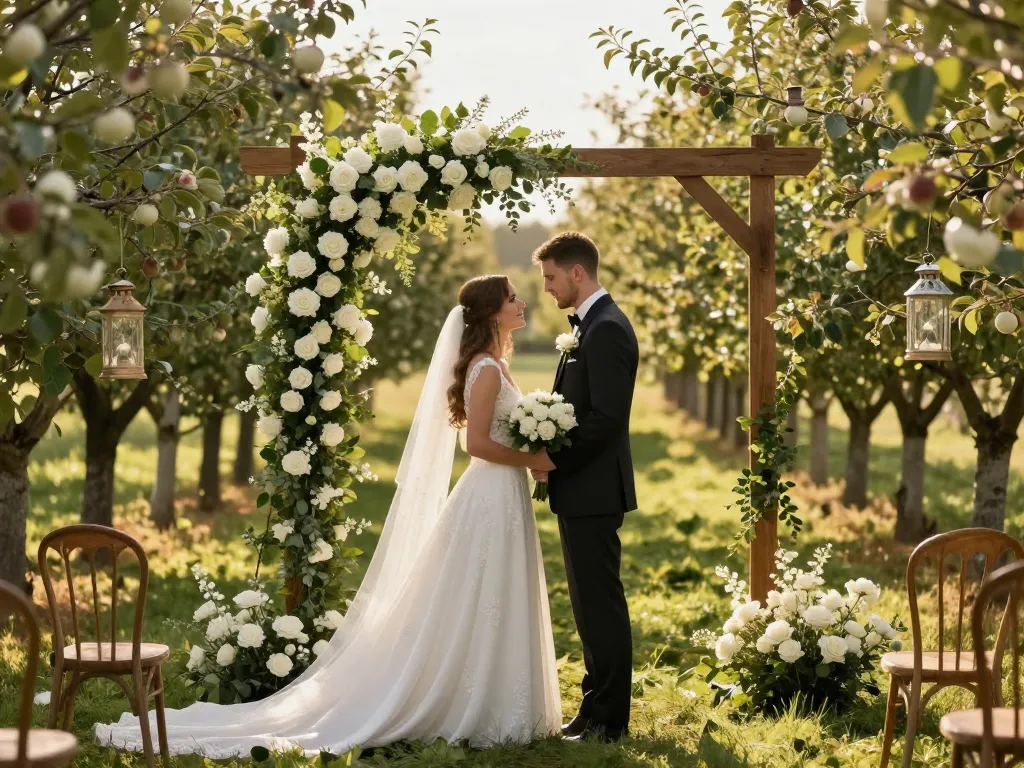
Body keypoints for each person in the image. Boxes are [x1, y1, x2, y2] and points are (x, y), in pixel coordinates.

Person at [95, 275, 562, 758]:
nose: (521, 303)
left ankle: (498, 700)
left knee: (496, 590)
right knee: (481, 592)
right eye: (512, 298)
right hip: (488, 496)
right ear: (491, 312)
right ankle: (474, 704)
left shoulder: (497, 364)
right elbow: (476, 444)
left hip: (503, 493)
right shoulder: (486, 368)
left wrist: (531, 452)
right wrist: (534, 458)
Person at [533, 232, 639, 743]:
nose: (547, 288)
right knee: (588, 606)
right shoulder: (590, 326)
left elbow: (607, 419)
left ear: (578, 272)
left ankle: (609, 720)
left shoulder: (607, 329)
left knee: (601, 606)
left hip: (594, 490)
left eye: (551, 277)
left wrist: (552, 457)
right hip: (582, 491)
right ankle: (593, 708)